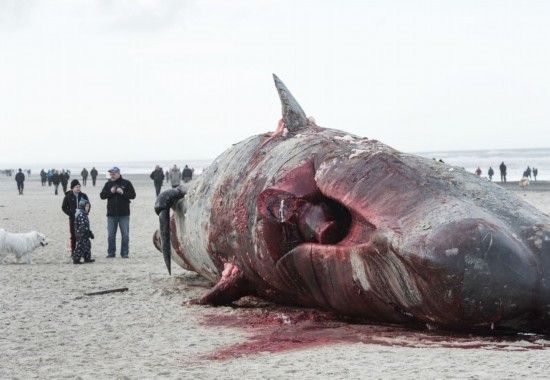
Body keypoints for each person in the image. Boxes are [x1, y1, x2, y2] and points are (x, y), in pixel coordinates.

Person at [100, 167, 136, 258]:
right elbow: (102, 196)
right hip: (111, 214)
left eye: (113, 173)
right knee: (111, 236)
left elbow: (133, 195)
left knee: (125, 235)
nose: (112, 175)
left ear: (118, 173)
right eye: (111, 174)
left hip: (124, 214)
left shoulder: (126, 183)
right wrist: (111, 192)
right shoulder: (108, 184)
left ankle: (124, 253)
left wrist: (123, 192)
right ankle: (111, 253)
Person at [62, 179, 89, 255]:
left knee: (83, 235)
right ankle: (73, 251)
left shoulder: (83, 196)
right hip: (73, 219)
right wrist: (71, 213)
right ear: (72, 188)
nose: (78, 188)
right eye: (76, 187)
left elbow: (88, 205)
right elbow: (64, 207)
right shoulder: (68, 196)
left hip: (82, 219)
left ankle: (84, 251)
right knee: (73, 235)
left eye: (79, 187)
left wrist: (86, 213)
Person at [73, 198, 95, 264]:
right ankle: (76, 259)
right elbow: (82, 226)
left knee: (87, 245)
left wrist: (88, 233)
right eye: (86, 206)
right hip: (80, 234)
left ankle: (87, 258)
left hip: (85, 234)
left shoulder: (84, 214)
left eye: (88, 206)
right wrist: (89, 233)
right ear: (82, 207)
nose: (87, 208)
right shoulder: (81, 214)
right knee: (80, 246)